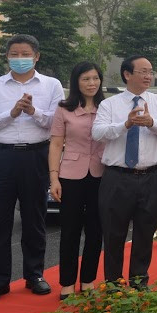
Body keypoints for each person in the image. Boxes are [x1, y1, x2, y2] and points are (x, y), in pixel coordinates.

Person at [0, 34, 65, 306]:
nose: (19, 58)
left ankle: (34, 275)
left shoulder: (51, 85)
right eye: (14, 53)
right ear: (7, 56)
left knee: (35, 218)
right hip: (0, 156)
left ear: (37, 56)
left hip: (36, 156)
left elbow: (56, 123)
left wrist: (33, 111)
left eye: (25, 53)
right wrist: (10, 114)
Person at [92, 55, 157, 288]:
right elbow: (97, 133)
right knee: (113, 233)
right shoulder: (110, 104)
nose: (149, 76)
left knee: (144, 232)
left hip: (151, 177)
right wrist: (125, 124)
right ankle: (113, 284)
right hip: (118, 178)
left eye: (151, 72)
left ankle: (139, 281)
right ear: (127, 74)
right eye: (143, 72)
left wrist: (151, 123)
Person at [48, 62, 106, 299]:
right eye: (85, 79)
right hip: (70, 175)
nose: (91, 83)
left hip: (101, 174)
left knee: (96, 230)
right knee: (70, 230)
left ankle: (88, 280)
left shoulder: (107, 107)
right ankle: (67, 283)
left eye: (95, 78)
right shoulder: (64, 108)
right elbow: (55, 143)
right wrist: (54, 178)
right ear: (76, 82)